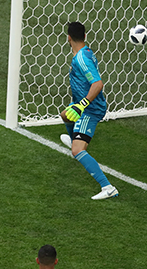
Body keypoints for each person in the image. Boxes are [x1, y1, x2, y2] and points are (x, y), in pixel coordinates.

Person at [59, 22, 118, 200]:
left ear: (68, 38)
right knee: (65, 115)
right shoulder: (85, 52)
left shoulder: (81, 59)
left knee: (78, 151)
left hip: (90, 109)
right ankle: (74, 139)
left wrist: (82, 104)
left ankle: (107, 187)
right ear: (84, 37)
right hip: (82, 104)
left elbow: (98, 84)